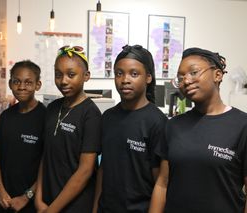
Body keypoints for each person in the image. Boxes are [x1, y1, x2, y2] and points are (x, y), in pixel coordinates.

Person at [149, 47, 247, 213]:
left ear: (217, 75)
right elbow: (162, 183)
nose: (186, 81)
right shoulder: (173, 126)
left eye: (193, 72)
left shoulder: (242, 125)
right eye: (181, 77)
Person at [93, 45, 167, 213]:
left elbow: (161, 183)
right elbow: (104, 168)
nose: (125, 79)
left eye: (134, 74)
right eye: (119, 73)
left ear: (148, 77)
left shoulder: (157, 122)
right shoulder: (108, 117)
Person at [35, 46, 102, 213]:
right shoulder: (52, 108)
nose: (63, 81)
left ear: (86, 76)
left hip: (75, 204)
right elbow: (46, 155)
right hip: (47, 200)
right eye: (58, 75)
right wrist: (38, 197)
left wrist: (52, 210)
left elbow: (85, 171)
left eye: (71, 75)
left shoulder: (91, 114)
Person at [0, 60, 46, 213]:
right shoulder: (6, 117)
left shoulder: (46, 118)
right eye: (16, 81)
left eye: (28, 82)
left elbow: (47, 165)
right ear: (10, 83)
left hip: (31, 202)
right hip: (5, 200)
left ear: (38, 85)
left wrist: (26, 196)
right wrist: (0, 190)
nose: (21, 87)